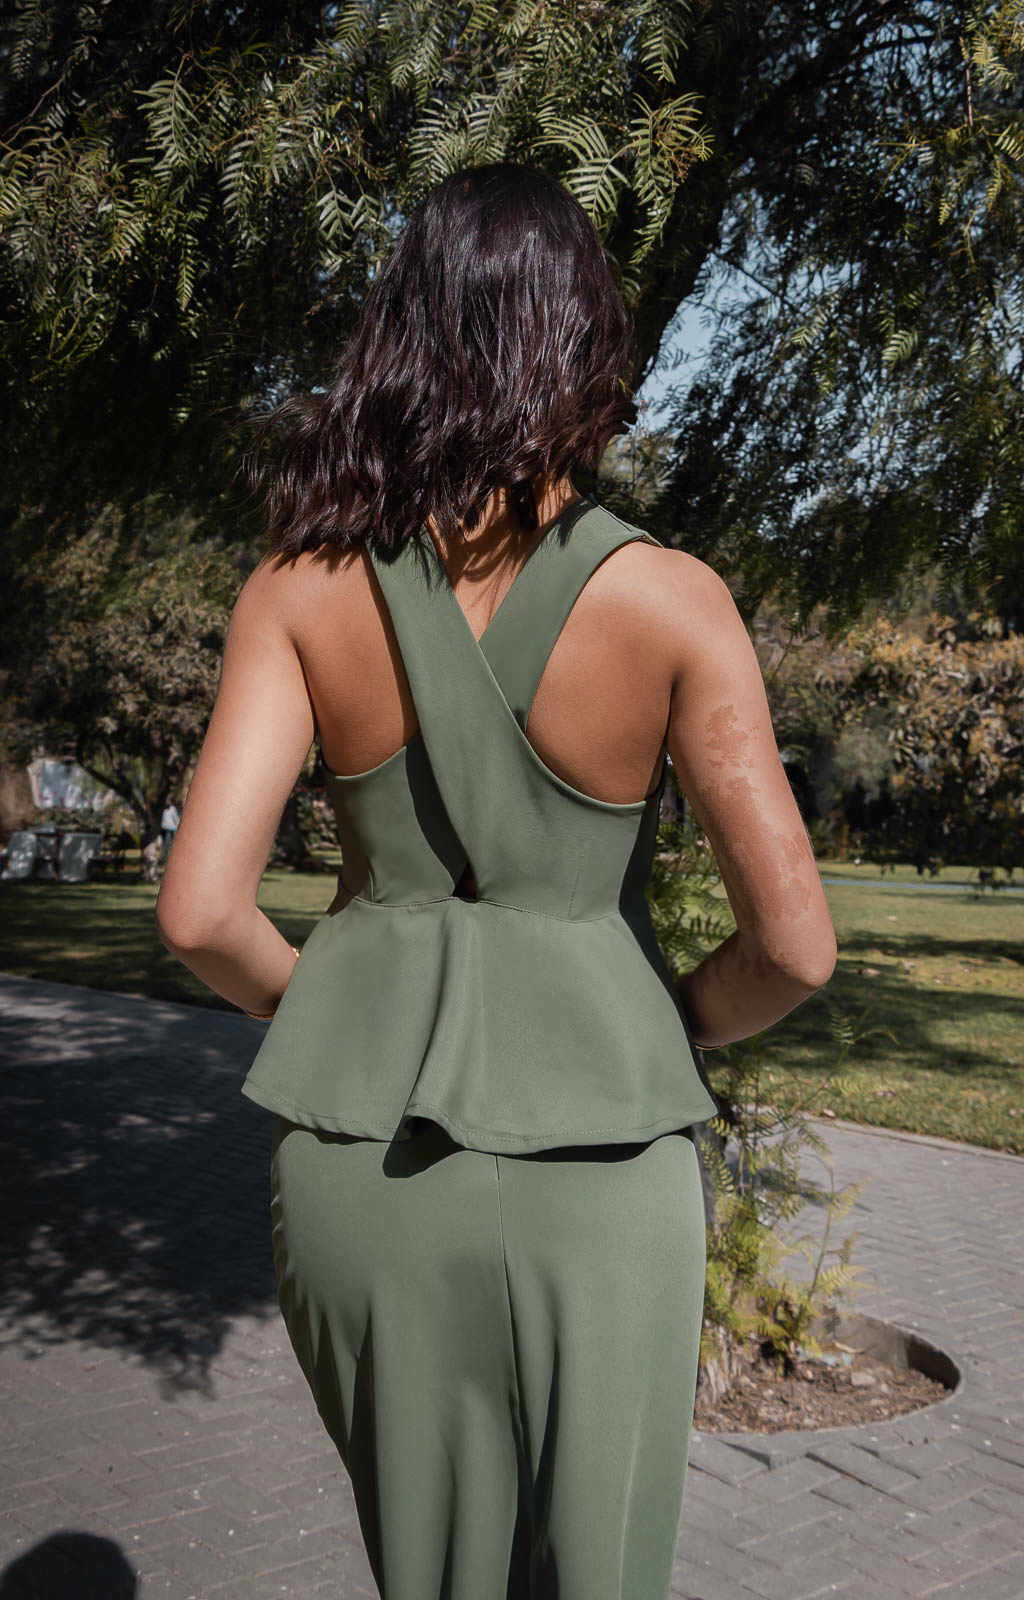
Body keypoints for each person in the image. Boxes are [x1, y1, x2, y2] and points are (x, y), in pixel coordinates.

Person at [155, 163, 837, 1600]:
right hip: (607, 1167)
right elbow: (793, 948)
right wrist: (662, 1023)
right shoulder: (673, 600)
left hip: (360, 1170)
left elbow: (202, 914)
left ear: (403, 333)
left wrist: (338, 1010)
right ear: (584, 341)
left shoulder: (297, 589)